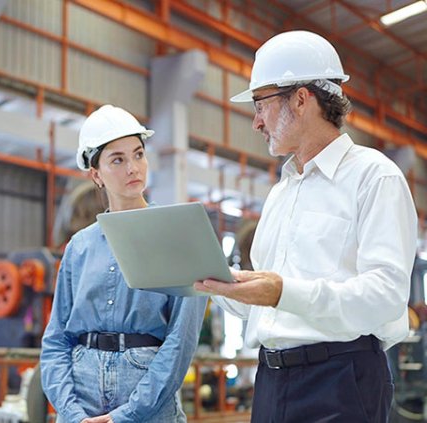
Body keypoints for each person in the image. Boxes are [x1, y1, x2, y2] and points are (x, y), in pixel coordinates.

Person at [194, 30, 418, 422]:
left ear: (301, 99)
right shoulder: (283, 192)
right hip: (272, 379)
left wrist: (282, 292)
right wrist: (214, 283)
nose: (256, 122)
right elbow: (267, 306)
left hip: (340, 380)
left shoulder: (374, 177)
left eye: (261, 105)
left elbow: (384, 296)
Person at [41, 104, 207, 423]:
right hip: (82, 393)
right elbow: (57, 338)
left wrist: (129, 414)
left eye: (139, 154)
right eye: (118, 159)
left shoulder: (178, 237)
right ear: (96, 174)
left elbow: (180, 340)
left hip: (147, 397)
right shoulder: (79, 248)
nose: (133, 167)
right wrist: (72, 413)